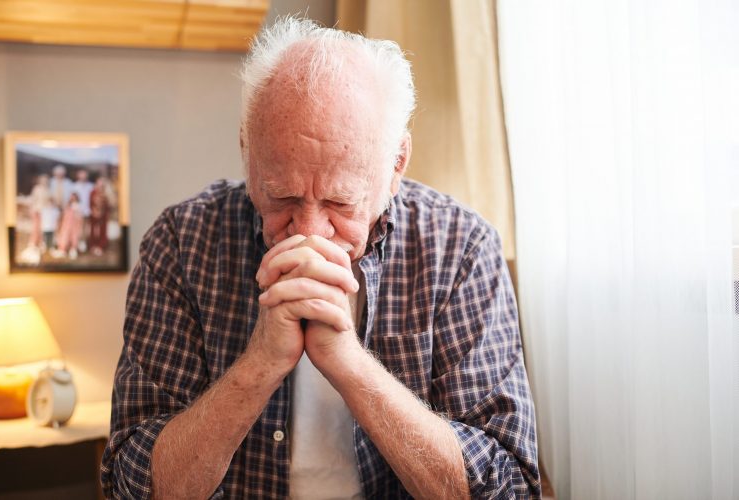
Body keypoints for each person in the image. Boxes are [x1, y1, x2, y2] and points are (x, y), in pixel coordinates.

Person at [101, 17, 540, 499]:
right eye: (282, 197)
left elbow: (508, 488)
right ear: (247, 152)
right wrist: (260, 363)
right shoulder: (181, 243)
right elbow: (132, 485)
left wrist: (349, 364)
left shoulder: (460, 247)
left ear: (396, 164)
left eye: (339, 202)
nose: (309, 232)